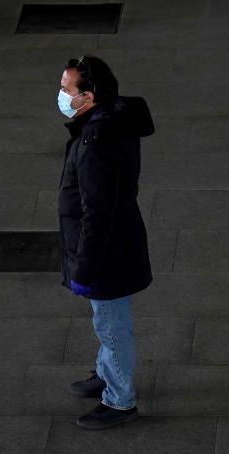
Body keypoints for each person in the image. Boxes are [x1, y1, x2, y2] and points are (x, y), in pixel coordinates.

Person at [57, 55, 155, 430]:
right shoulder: (110, 120)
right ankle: (105, 373)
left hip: (105, 251)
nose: (62, 95)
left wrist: (84, 266)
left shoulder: (97, 141)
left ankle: (119, 401)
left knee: (112, 326)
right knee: (106, 321)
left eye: (67, 89)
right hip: (113, 243)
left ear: (89, 95)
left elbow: (96, 212)